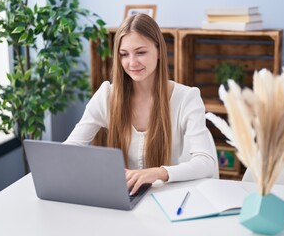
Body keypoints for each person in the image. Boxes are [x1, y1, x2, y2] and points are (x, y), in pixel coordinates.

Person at [64, 13, 219, 195]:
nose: (132, 63)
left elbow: (206, 162)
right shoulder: (107, 95)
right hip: (126, 197)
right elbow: (70, 149)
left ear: (159, 50)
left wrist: (157, 173)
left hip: (168, 198)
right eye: (124, 55)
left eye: (141, 52)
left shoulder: (187, 98)